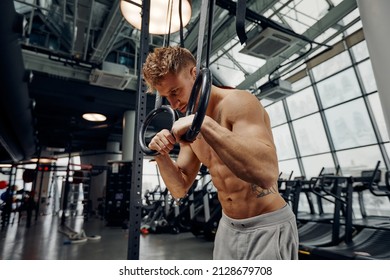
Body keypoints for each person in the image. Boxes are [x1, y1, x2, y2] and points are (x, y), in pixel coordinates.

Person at [142, 46, 299, 260]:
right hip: (227, 226)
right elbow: (179, 188)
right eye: (166, 97)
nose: (174, 104)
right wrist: (161, 155)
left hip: (267, 225)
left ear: (194, 74)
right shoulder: (190, 124)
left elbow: (266, 174)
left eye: (175, 91)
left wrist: (205, 124)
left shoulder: (238, 102)